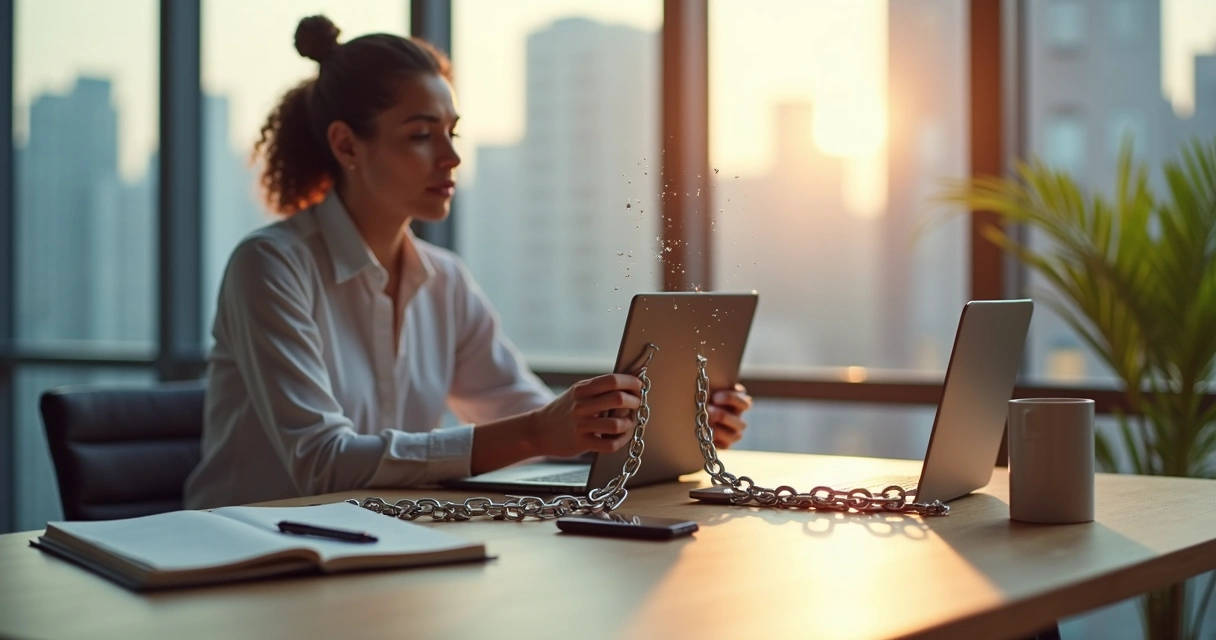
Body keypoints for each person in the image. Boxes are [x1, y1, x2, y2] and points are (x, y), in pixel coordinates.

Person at [184, 16, 753, 509]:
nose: (452, 157)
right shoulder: (270, 267)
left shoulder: (445, 280)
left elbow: (532, 412)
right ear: (347, 146)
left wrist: (671, 422)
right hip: (240, 559)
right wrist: (535, 433)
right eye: (421, 135)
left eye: (452, 133)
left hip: (378, 546)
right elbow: (323, 462)